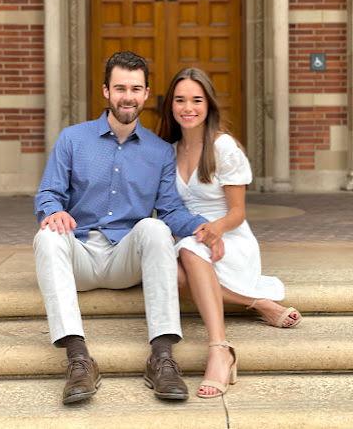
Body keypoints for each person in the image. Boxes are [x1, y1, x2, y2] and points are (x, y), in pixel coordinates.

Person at [33, 52, 221, 405]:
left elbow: (169, 210)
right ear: (106, 91)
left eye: (135, 89)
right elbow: (49, 191)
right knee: (46, 235)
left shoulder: (160, 151)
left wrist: (203, 226)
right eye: (120, 88)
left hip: (125, 259)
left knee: (153, 227)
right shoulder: (73, 140)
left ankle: (162, 357)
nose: (127, 96)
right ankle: (78, 358)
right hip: (81, 256)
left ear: (146, 93)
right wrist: (53, 210)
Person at [158, 67, 303, 399]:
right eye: (180, 100)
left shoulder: (223, 147)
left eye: (196, 100)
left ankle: (219, 349)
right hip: (190, 236)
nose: (188, 108)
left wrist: (216, 230)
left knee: (191, 252)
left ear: (209, 105)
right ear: (170, 106)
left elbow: (238, 212)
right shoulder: (167, 151)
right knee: (177, 275)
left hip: (230, 239)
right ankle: (257, 303)